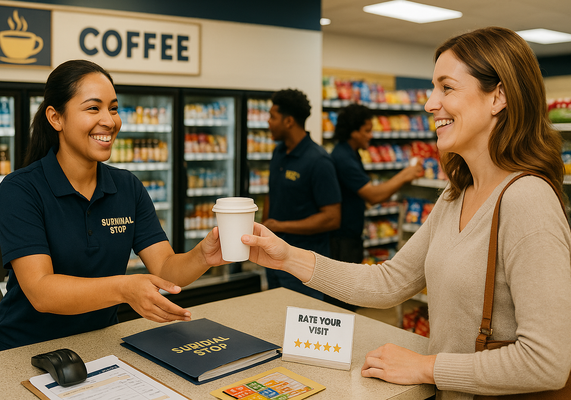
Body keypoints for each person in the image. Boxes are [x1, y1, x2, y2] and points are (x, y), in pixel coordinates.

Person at [242, 27, 571, 398]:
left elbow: (547, 362)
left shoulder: (528, 201)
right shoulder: (457, 193)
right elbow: (390, 282)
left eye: (446, 88)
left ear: (499, 97)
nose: (430, 104)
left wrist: (426, 366)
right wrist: (287, 257)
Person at [0, 60, 225, 352]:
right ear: (55, 118)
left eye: (113, 108)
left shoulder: (127, 187)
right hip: (23, 350)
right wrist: (123, 288)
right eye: (93, 108)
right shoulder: (21, 189)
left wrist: (203, 256)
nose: (110, 121)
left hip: (100, 345)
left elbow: (165, 268)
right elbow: (41, 291)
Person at [263, 88, 341, 299]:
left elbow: (332, 218)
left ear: (289, 121)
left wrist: (280, 226)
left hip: (304, 265)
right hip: (272, 258)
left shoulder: (318, 161)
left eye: (272, 117)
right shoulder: (278, 152)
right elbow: (272, 194)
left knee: (301, 326)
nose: (268, 121)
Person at [330, 103, 423, 263]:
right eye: (367, 130)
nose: (370, 135)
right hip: (343, 239)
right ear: (353, 132)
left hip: (349, 235)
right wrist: (404, 175)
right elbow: (372, 195)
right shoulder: (343, 158)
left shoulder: (350, 153)